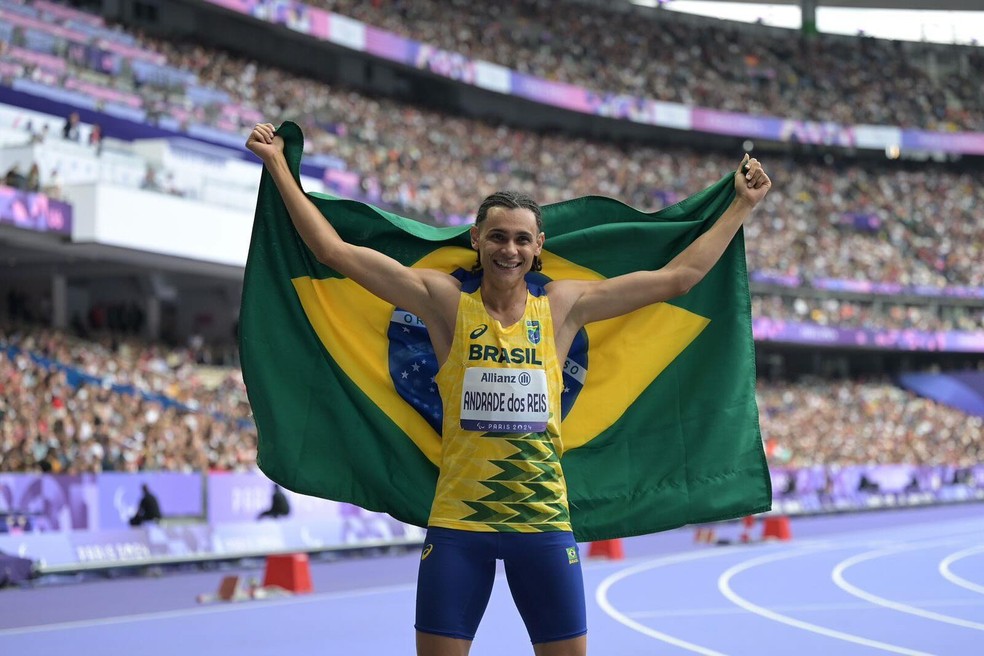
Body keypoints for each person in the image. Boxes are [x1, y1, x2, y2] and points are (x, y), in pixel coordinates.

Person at [246, 122, 771, 656]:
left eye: (522, 238)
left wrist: (741, 207)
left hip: (542, 524)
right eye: (497, 236)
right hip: (458, 525)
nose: (509, 249)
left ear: (539, 247)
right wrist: (278, 167)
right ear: (476, 239)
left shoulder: (564, 307)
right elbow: (332, 250)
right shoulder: (443, 302)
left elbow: (679, 278)